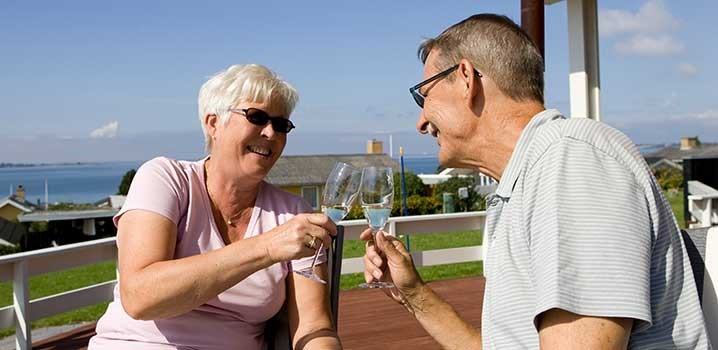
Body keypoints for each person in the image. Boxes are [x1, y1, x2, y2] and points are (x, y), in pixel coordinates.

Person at [362, 14, 712, 349]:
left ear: (466, 78)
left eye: (424, 95)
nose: (421, 122)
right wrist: (413, 293)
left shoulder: (572, 165)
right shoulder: (526, 181)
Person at [90, 64, 342, 349]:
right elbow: (139, 297)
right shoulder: (165, 179)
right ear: (213, 123)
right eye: (257, 117)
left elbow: (314, 326)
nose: (271, 133)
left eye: (281, 125)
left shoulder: (294, 215)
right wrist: (266, 247)